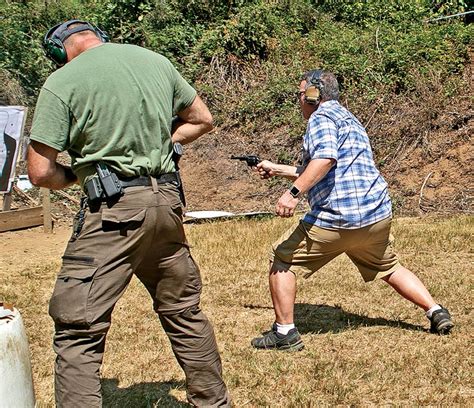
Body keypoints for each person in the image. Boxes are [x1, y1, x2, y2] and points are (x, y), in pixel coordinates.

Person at [27, 19, 230, 407]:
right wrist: (163, 143)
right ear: (99, 37)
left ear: (58, 51)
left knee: (77, 327)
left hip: (113, 212)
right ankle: (213, 402)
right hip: (166, 203)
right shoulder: (155, 61)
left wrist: (75, 175)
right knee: (183, 311)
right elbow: (201, 120)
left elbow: (39, 171)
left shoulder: (62, 81)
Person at [251, 69, 454, 351]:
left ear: (313, 95)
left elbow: (324, 159)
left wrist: (293, 193)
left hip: (338, 218)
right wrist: (279, 169)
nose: (299, 101)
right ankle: (436, 311)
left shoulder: (319, 118)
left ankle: (285, 332)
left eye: (300, 94)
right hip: (375, 216)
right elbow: (327, 166)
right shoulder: (349, 118)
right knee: (389, 266)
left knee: (282, 258)